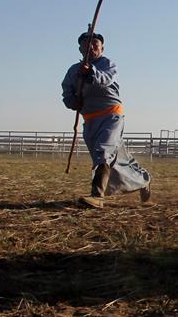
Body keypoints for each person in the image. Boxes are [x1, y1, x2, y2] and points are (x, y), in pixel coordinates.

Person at [61, 32, 151, 208]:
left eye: (95, 44)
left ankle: (97, 196)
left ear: (102, 48)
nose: (91, 47)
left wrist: (91, 72)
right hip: (90, 119)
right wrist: (73, 101)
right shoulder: (73, 71)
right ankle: (143, 180)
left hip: (111, 116)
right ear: (80, 48)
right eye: (87, 44)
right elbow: (67, 93)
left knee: (104, 151)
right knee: (110, 160)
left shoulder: (107, 64)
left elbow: (105, 79)